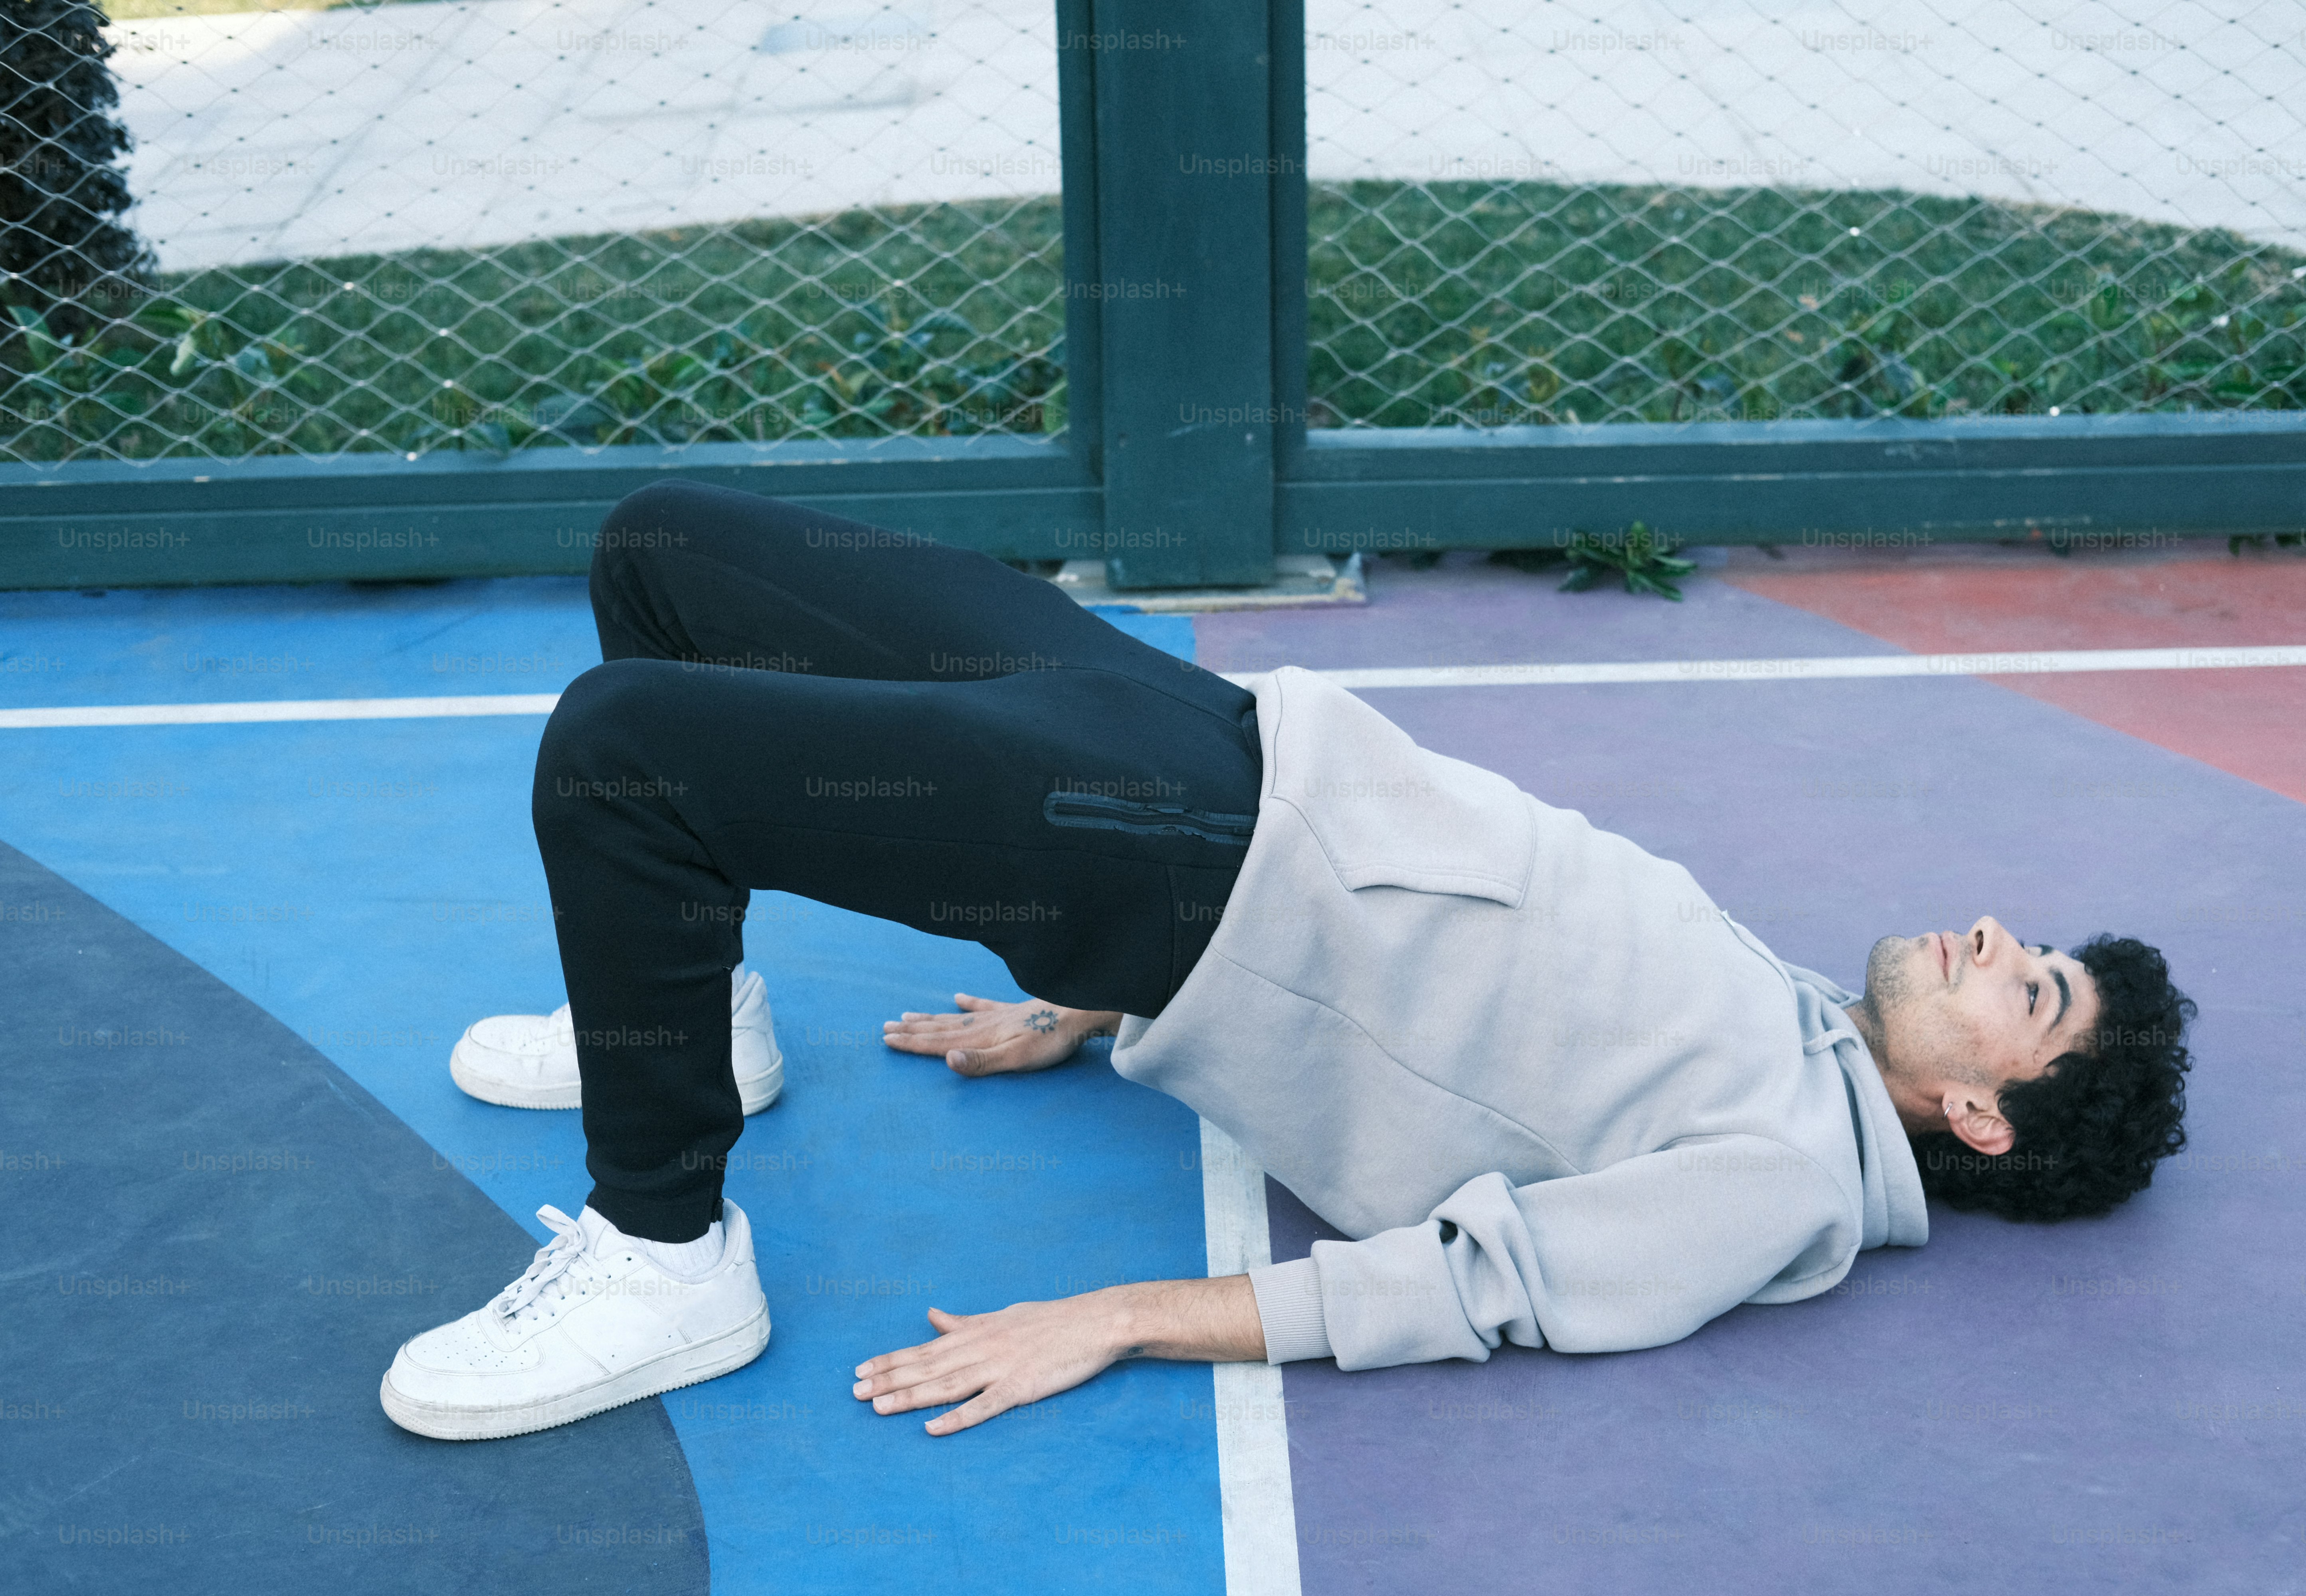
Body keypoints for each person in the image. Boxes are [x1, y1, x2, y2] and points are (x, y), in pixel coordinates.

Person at [378, 480, 2197, 1442]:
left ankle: (667, 1254)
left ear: (1982, 1118)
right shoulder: (1799, 1018)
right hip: (1216, 739)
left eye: (2027, 990)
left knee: (624, 746)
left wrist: (1119, 1313)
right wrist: (1078, 1009)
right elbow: (1466, 965)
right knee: (668, 551)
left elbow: (1481, 1285)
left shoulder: (1784, 1177)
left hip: (1180, 857)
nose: (1992, 937)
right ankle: (693, 1032)